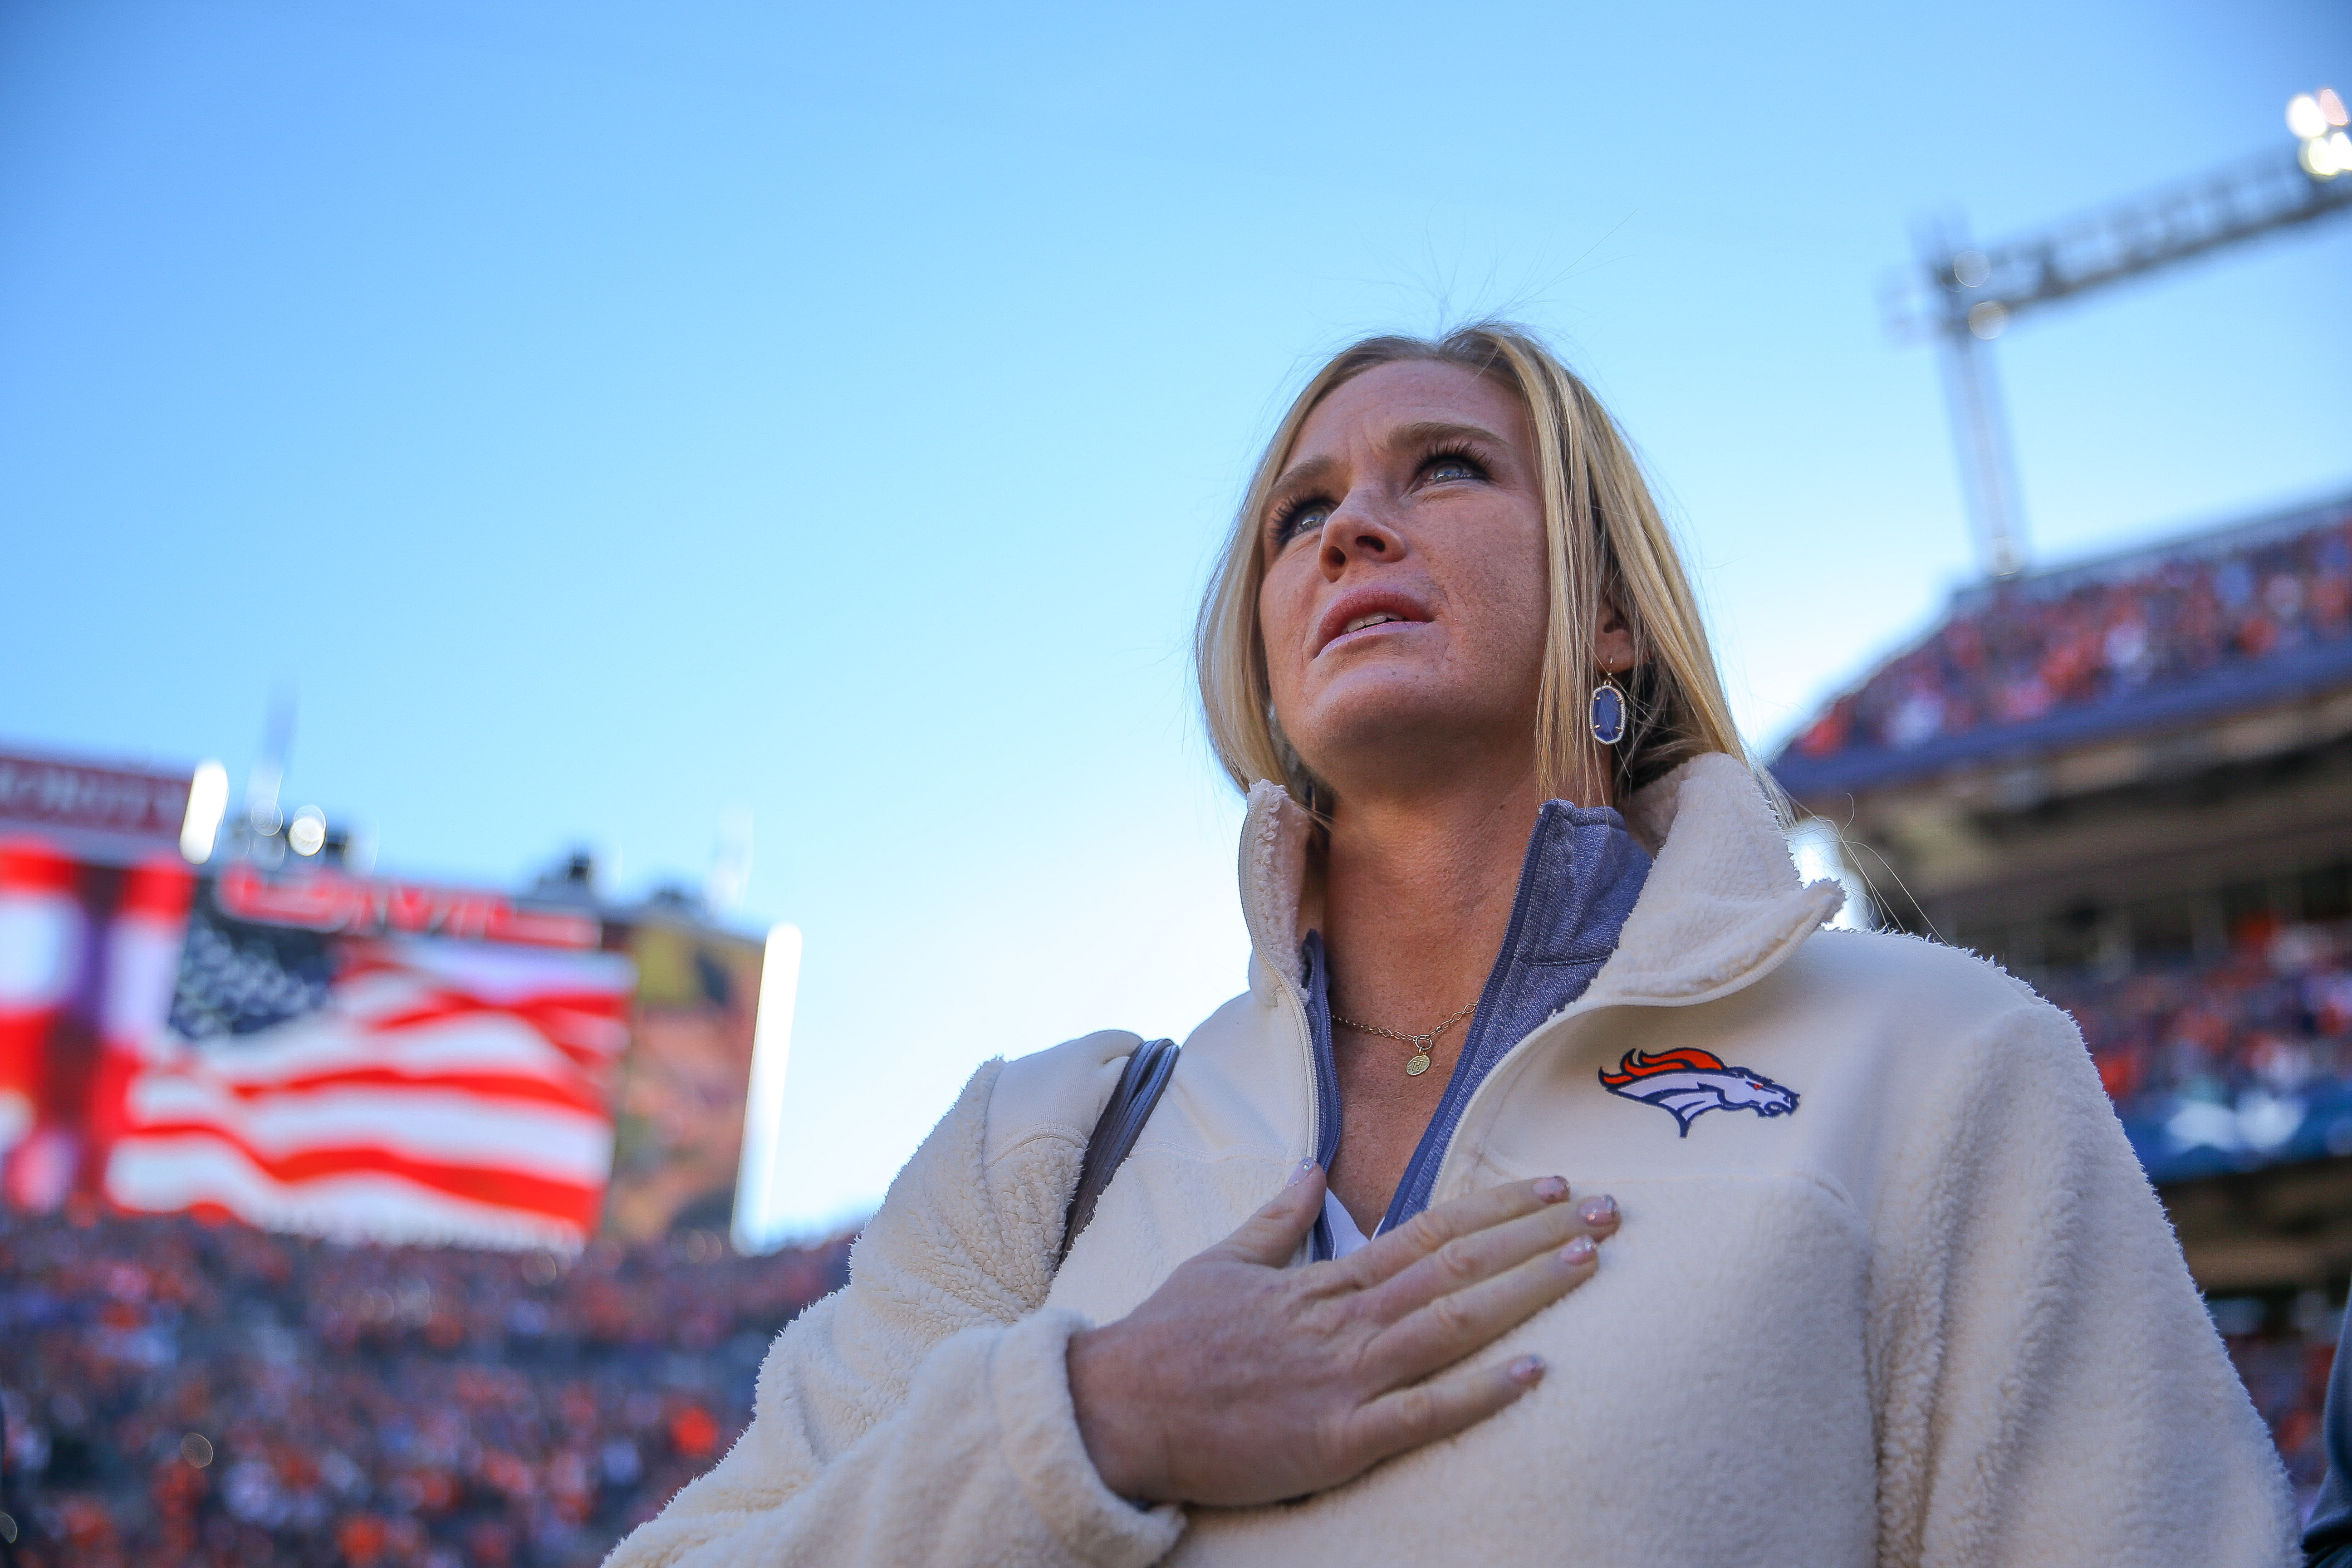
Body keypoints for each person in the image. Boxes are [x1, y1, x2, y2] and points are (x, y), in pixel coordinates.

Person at [606, 323, 2293, 1568]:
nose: (1353, 527)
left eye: (1449, 469)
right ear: (1268, 659)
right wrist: (1092, 1423)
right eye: (1300, 514)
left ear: (1611, 610)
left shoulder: (1933, 1057)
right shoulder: (1034, 1158)